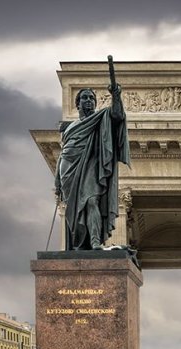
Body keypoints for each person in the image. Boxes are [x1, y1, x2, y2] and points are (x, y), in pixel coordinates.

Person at [55, 64, 130, 251]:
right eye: (84, 98)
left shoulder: (100, 118)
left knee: (91, 200)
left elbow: (117, 115)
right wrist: (57, 178)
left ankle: (95, 242)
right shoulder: (70, 126)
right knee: (73, 210)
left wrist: (116, 95)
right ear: (77, 103)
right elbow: (63, 152)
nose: (88, 101)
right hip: (68, 168)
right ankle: (79, 244)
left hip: (90, 164)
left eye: (91, 98)